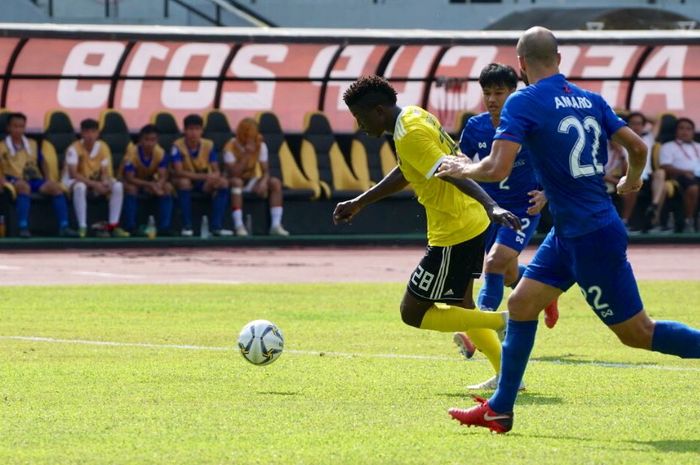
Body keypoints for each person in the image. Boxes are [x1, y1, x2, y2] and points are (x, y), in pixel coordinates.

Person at [438, 26, 700, 433]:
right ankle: (500, 408)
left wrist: (459, 167)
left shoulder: (523, 100)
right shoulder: (591, 99)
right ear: (559, 60)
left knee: (637, 333)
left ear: (520, 64)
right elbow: (638, 148)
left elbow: (495, 167)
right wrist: (631, 180)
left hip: (589, 236)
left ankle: (501, 405)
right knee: (523, 305)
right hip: (574, 230)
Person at [334, 75, 522, 371]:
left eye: (360, 117)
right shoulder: (412, 116)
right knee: (462, 306)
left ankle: (502, 320)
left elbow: (449, 171)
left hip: (455, 228)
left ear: (379, 111)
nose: (360, 125)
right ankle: (508, 376)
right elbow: (407, 171)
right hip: (464, 220)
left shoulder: (409, 133)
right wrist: (360, 202)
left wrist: (492, 206)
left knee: (413, 312)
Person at [453, 64, 559, 391]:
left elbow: (557, 162)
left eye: (500, 92)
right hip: (488, 211)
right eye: (487, 93)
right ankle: (543, 292)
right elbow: (461, 160)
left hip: (522, 208)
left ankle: (480, 326)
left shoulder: (531, 126)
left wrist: (547, 193)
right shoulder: (476, 126)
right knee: (508, 272)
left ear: (514, 93)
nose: (492, 99)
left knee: (494, 263)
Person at [0, 112, 77, 237]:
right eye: (15, 126)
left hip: (35, 179)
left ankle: (64, 227)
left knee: (55, 188)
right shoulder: (2, 146)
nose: (19, 129)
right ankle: (23, 227)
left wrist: (48, 179)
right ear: (8, 128)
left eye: (22, 126)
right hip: (14, 179)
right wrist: (3, 181)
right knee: (24, 187)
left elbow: (43, 163)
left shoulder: (33, 144)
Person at [62, 118, 129, 238]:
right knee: (80, 187)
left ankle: (113, 226)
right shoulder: (73, 149)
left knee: (117, 186)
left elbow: (104, 171)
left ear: (98, 133)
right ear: (82, 133)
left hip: (94, 179)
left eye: (93, 132)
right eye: (87, 132)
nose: (90, 135)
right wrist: (95, 185)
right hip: (72, 181)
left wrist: (104, 182)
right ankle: (82, 227)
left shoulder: (103, 147)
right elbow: (73, 174)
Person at [223, 118, 289, 236]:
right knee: (237, 182)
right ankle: (239, 226)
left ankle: (276, 225)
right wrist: (246, 154)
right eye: (247, 135)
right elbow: (234, 173)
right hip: (231, 181)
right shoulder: (230, 146)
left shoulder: (260, 145)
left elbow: (265, 171)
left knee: (275, 183)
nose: (250, 138)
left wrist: (264, 181)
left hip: (251, 180)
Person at [171, 114, 232, 237]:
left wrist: (214, 178)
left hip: (202, 180)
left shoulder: (209, 145)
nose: (194, 133)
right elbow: (178, 171)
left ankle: (216, 227)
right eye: (190, 129)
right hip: (182, 179)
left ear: (202, 131)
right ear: (185, 130)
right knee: (184, 182)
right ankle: (186, 226)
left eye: (197, 129)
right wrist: (204, 177)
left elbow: (215, 169)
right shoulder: (177, 146)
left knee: (223, 183)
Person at [121, 124, 174, 235]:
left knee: (167, 187)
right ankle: (130, 226)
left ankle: (165, 227)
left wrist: (158, 185)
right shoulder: (131, 152)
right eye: (146, 140)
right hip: (130, 181)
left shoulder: (161, 153)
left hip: (148, 182)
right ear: (140, 140)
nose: (149, 143)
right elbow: (129, 178)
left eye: (153, 140)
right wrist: (150, 185)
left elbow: (163, 175)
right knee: (131, 188)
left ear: (157, 141)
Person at [626, 112, 666, 232]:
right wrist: (624, 115)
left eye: (639, 124)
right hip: (628, 175)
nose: (636, 126)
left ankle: (653, 209)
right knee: (662, 189)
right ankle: (651, 221)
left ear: (643, 126)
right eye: (632, 123)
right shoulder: (619, 140)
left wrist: (632, 112)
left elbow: (657, 120)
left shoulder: (648, 139)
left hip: (647, 178)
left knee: (660, 173)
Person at [659, 117, 699, 233]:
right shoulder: (668, 146)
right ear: (676, 131)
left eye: (688, 129)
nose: (685, 131)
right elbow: (665, 166)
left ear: (693, 131)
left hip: (697, 175)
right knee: (693, 188)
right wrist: (684, 172)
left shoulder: (698, 146)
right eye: (681, 128)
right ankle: (689, 222)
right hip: (679, 176)